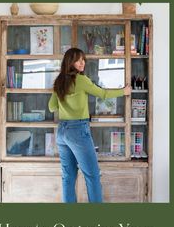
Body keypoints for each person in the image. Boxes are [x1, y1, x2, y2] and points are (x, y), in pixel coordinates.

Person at [48, 48, 131, 203]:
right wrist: (124, 91)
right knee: (92, 175)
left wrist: (66, 104)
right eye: (78, 60)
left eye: (83, 59)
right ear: (70, 62)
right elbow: (103, 94)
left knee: (68, 176)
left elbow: (52, 107)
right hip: (78, 130)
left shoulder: (59, 81)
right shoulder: (81, 80)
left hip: (62, 132)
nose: (82, 63)